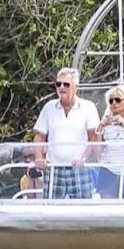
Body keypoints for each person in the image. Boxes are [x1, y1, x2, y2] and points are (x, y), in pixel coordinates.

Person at [32, 67, 100, 199]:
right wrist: (39, 157)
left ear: (76, 87)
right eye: (58, 84)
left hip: (79, 168)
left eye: (66, 84)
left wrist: (84, 158)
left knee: (82, 210)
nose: (61, 87)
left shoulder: (88, 107)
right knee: (51, 210)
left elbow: (94, 138)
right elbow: (39, 136)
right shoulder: (49, 107)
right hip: (54, 168)